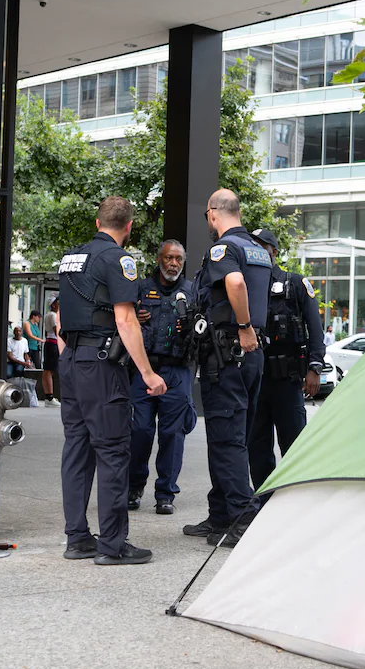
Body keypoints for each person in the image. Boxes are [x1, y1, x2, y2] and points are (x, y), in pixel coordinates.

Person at [58, 195, 166, 566]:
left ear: (97, 222)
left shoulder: (71, 258)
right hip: (101, 365)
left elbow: (63, 320)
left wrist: (71, 357)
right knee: (113, 450)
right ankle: (113, 545)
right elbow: (125, 320)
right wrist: (148, 373)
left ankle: (77, 539)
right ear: (129, 226)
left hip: (71, 360)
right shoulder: (119, 259)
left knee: (76, 448)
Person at [182, 189, 271, 548]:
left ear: (214, 213)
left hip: (228, 353)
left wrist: (243, 325)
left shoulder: (224, 249)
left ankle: (243, 517)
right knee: (233, 436)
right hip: (250, 356)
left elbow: (234, 282)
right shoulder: (256, 249)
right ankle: (220, 515)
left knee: (226, 439)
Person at [247, 227, 326, 491]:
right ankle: (264, 499)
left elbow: (315, 328)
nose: (257, 253)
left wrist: (315, 368)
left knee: (293, 445)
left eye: (262, 247)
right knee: (257, 447)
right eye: (253, 247)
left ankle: (296, 498)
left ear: (274, 252)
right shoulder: (245, 286)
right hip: (257, 379)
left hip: (288, 380)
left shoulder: (295, 284)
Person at [128, 239, 196, 516]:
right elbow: (121, 319)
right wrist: (135, 317)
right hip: (144, 370)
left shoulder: (192, 291)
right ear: (159, 260)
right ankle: (133, 488)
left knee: (172, 435)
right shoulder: (141, 289)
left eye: (179, 259)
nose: (173, 264)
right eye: (169, 258)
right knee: (140, 431)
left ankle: (165, 494)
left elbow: (203, 329)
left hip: (177, 371)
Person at [41, 298, 60, 407]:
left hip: (50, 343)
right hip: (53, 343)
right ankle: (49, 396)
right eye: (57, 303)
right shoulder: (52, 315)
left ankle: (49, 396)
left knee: (49, 370)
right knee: (49, 370)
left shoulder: (49, 315)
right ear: (53, 305)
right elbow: (57, 330)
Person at [24, 309, 46, 399]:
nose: (39, 319)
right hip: (28, 347)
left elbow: (37, 334)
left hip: (35, 347)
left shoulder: (35, 325)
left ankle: (38, 386)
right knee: (27, 364)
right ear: (33, 316)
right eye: (38, 317)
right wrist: (41, 340)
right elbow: (30, 335)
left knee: (38, 365)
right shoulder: (27, 323)